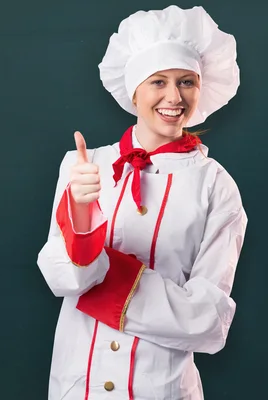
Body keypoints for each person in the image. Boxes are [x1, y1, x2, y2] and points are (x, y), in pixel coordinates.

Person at [36, 5, 247, 400]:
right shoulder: (84, 166)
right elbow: (61, 278)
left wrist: (99, 271)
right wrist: (80, 224)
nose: (174, 97)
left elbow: (208, 319)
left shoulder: (216, 186)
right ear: (134, 91)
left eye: (186, 82)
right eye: (158, 82)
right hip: (78, 387)